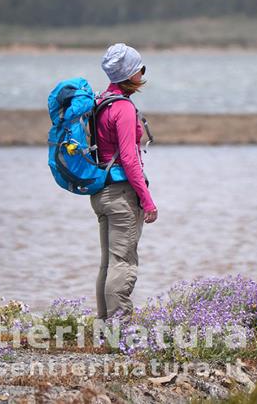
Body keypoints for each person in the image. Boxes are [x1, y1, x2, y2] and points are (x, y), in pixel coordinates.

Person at [91, 43, 158, 321]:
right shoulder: (123, 109)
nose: (142, 73)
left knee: (109, 265)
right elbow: (130, 160)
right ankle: (120, 334)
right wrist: (147, 200)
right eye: (139, 68)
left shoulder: (100, 102)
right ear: (130, 74)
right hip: (121, 195)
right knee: (123, 264)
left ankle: (104, 328)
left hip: (101, 193)